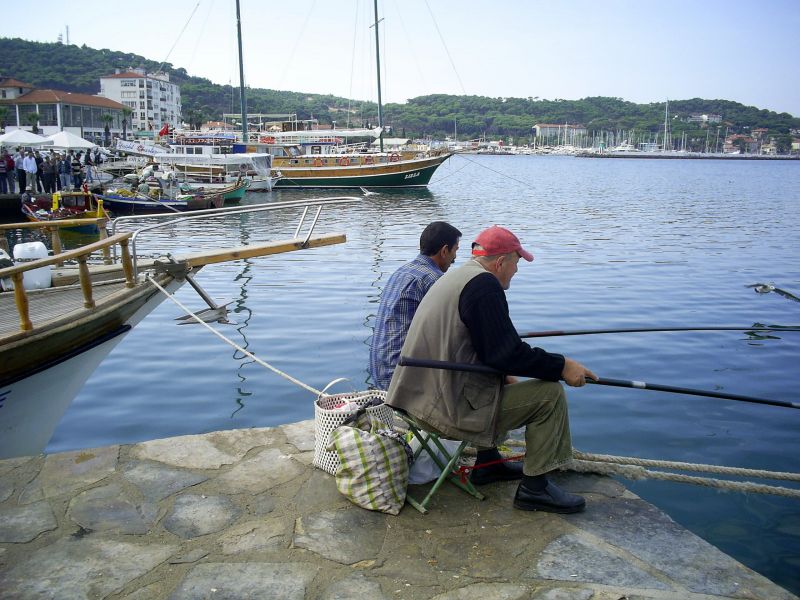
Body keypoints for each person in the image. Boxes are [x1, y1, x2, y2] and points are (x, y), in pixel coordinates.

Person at [386, 225, 598, 513]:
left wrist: (509, 366)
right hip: (442, 410)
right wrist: (562, 366)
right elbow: (507, 352)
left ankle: (487, 465)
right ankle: (535, 489)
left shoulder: (460, 276)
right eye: (516, 263)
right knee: (549, 395)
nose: (516, 271)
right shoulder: (485, 286)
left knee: (499, 378)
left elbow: (490, 350)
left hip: (417, 398)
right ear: (501, 262)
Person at [369, 221, 462, 390]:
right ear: (444, 251)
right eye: (455, 251)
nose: (455, 258)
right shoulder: (434, 279)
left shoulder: (402, 271)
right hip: (399, 378)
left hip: (380, 371)